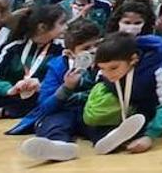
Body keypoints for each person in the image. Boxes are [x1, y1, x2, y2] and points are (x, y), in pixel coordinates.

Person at [84, 32, 162, 155]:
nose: (107, 73)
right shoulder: (106, 71)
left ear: (133, 59)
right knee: (94, 120)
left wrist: (150, 136)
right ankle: (115, 138)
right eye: (102, 68)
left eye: (113, 68)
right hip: (143, 103)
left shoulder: (159, 67)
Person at [12, 19, 103, 161]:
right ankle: (59, 146)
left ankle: (108, 140)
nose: (93, 51)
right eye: (86, 48)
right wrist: (67, 87)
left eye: (97, 45)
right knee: (53, 124)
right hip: (63, 110)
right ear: (70, 53)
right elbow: (45, 105)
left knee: (99, 123)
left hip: (90, 111)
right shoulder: (56, 67)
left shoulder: (107, 65)